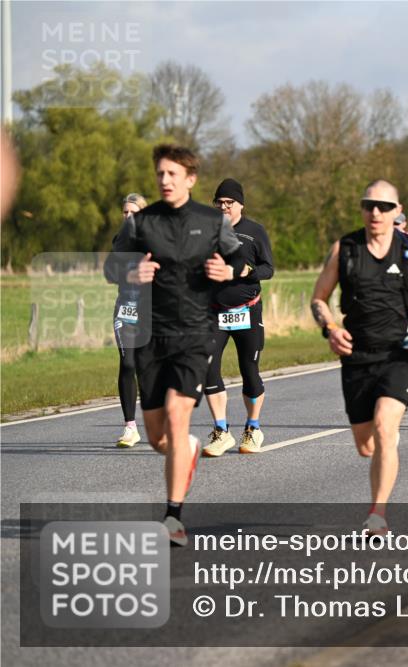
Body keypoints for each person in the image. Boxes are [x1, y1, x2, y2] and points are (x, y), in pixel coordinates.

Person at [108, 144, 245, 546]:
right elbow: (110, 266)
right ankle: (184, 448)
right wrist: (131, 271)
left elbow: (239, 261)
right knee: (159, 438)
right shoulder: (141, 223)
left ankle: (173, 517)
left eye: (172, 174)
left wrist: (227, 270)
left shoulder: (210, 220)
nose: (165, 181)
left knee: (176, 412)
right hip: (150, 336)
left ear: (190, 178)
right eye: (160, 174)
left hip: (194, 334)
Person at [311, 179, 408, 536]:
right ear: (362, 208)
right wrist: (329, 328)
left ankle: (378, 515)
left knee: (386, 427)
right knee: (366, 445)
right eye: (369, 205)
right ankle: (383, 448)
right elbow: (319, 298)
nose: (376, 212)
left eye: (384, 207)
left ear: (397, 210)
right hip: (356, 355)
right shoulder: (345, 248)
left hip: (399, 352)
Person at [202, 179, 275, 457]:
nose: (223, 207)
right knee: (208, 367)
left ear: (240, 205)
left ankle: (253, 428)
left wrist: (248, 271)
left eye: (229, 202)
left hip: (247, 310)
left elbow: (269, 269)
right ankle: (221, 431)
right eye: (219, 202)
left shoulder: (254, 232)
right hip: (214, 312)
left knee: (249, 370)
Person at [105, 193, 148, 448]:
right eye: (125, 212)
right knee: (128, 363)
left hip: (150, 312)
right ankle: (130, 428)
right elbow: (110, 273)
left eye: (133, 212)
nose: (128, 216)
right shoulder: (118, 241)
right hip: (125, 310)